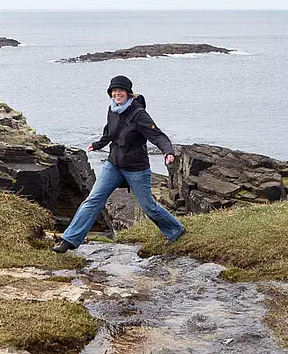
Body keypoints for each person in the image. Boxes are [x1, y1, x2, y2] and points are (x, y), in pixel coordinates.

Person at [52, 75, 187, 253]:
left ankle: (176, 230)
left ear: (129, 93)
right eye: (114, 91)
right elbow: (110, 132)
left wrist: (167, 151)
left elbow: (157, 136)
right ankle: (69, 240)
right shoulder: (113, 109)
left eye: (120, 90)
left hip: (136, 168)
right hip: (113, 164)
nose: (117, 94)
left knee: (149, 207)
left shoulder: (139, 114)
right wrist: (99, 144)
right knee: (93, 200)